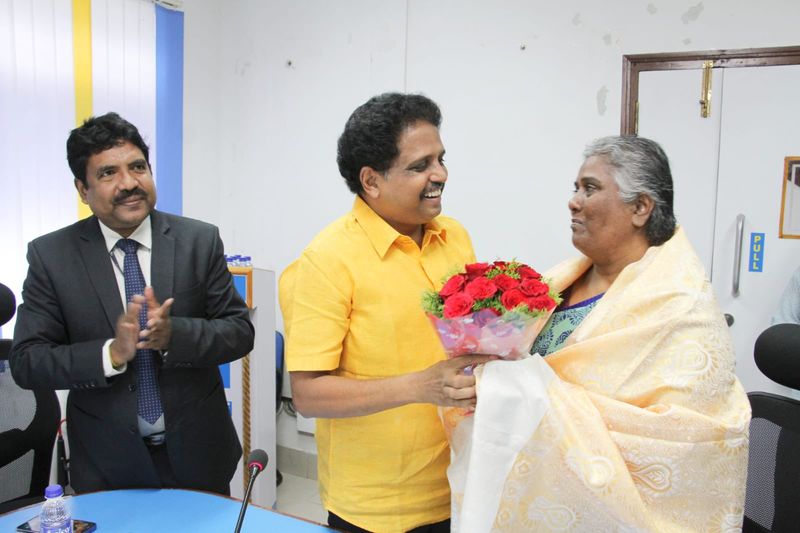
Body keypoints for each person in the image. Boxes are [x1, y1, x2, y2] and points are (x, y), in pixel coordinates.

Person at [447, 136, 750, 532]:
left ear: (640, 208)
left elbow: (685, 443)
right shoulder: (560, 280)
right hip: (531, 497)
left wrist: (517, 391)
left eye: (590, 188)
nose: (574, 201)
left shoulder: (679, 307)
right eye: (575, 187)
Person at [279, 93, 493, 533]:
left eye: (441, 159)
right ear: (371, 181)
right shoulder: (328, 259)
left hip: (458, 483)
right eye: (420, 166)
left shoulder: (454, 236)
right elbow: (308, 395)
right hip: (377, 508)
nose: (441, 175)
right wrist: (420, 386)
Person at [10, 113, 254, 495]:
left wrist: (175, 334)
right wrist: (111, 354)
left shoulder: (198, 240)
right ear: (82, 189)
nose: (129, 183)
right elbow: (27, 361)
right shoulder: (51, 257)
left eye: (138, 167)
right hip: (106, 461)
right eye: (108, 173)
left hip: (199, 455)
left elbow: (239, 331)